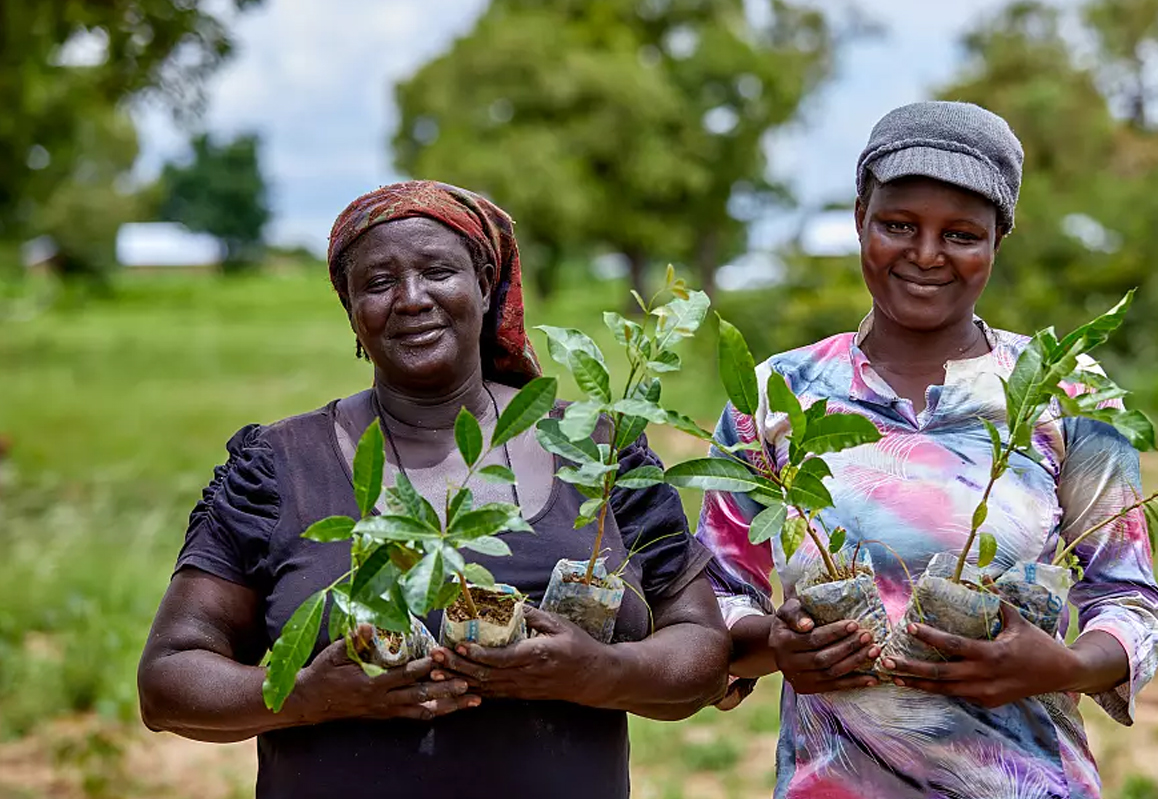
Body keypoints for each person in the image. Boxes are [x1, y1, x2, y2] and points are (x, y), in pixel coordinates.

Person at [137, 180, 729, 799]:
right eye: (378, 283)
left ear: (485, 286)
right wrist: (309, 695)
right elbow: (168, 681)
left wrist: (594, 672)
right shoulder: (281, 467)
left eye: (438, 272)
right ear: (350, 309)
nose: (411, 299)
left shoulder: (595, 451)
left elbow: (703, 653)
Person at [698, 102, 1158, 798]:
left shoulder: (1064, 391)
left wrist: (1062, 665)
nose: (925, 254)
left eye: (961, 234)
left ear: (998, 240)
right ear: (860, 217)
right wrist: (777, 643)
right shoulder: (778, 395)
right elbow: (714, 594)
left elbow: (1130, 600)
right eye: (898, 225)